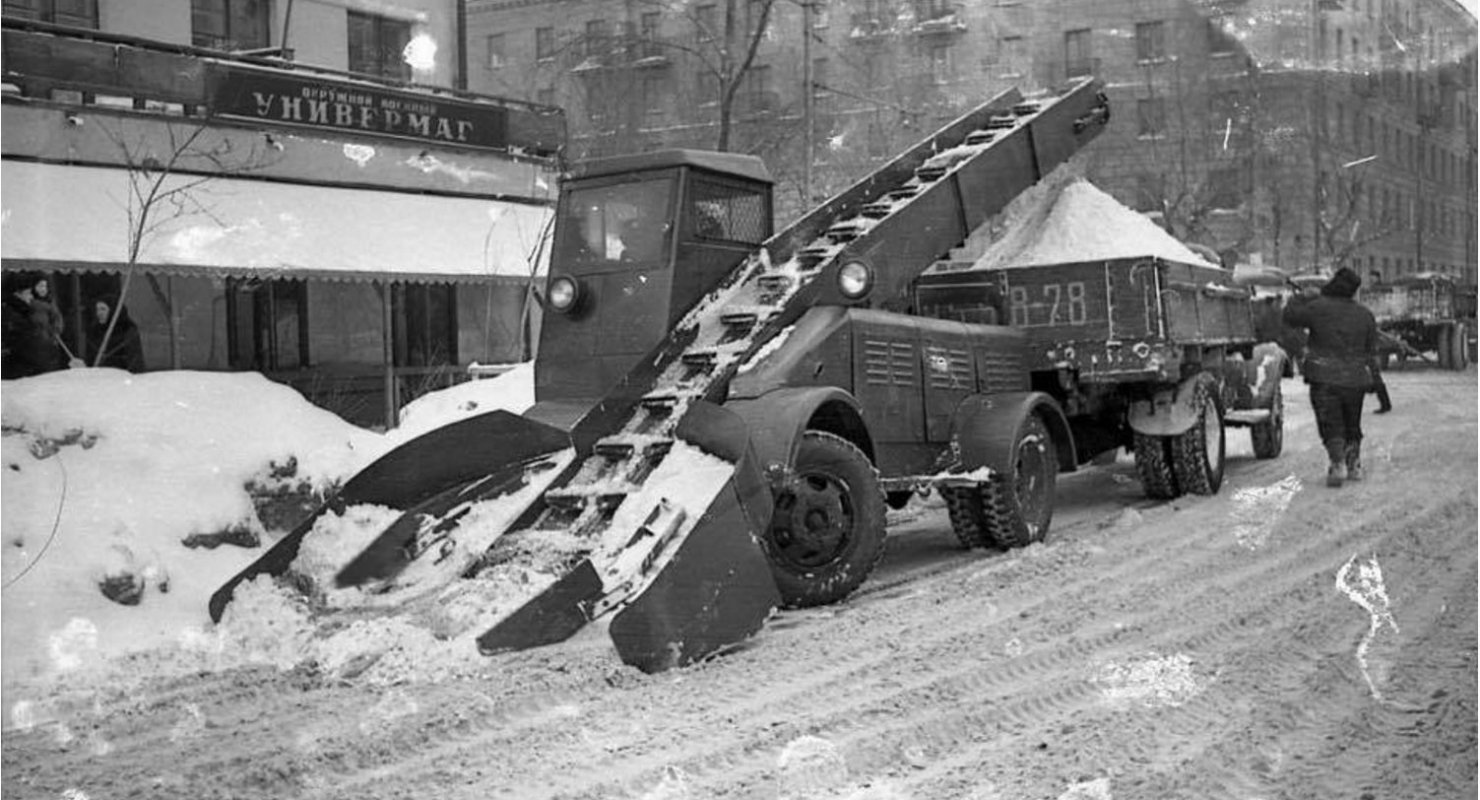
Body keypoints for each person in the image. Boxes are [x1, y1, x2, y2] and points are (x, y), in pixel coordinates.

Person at [1282, 267, 1379, 487]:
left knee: (1331, 422)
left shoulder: (1317, 308)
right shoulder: (1365, 314)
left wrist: (1301, 297)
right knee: (1351, 421)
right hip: (1355, 379)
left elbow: (1289, 317)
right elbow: (1370, 349)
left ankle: (1338, 464)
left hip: (1324, 377)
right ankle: (1353, 463)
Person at [2, 274, 64, 378]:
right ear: (17, 295)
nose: (31, 297)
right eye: (28, 293)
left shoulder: (24, 313)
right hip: (22, 373)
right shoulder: (16, 317)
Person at [85, 298, 146, 372]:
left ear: (113, 311)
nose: (99, 313)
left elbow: (134, 361)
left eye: (103, 309)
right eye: (97, 309)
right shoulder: (95, 331)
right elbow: (90, 359)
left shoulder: (127, 329)